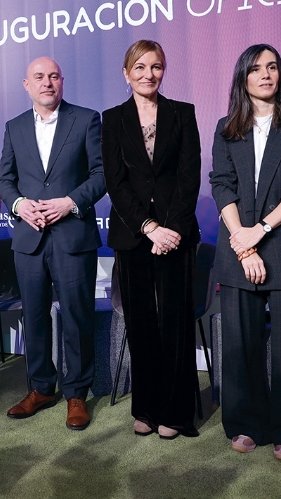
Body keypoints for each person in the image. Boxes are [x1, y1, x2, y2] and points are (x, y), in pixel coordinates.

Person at [209, 44, 281, 461]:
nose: (265, 74)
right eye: (256, 68)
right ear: (243, 77)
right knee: (239, 346)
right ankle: (246, 424)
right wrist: (243, 244)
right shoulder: (227, 127)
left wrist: (259, 230)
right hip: (238, 248)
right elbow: (222, 185)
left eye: (272, 67)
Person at [0, 57, 106, 430]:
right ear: (26, 84)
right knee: (34, 317)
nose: (47, 82)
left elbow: (101, 173)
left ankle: (76, 394)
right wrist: (18, 205)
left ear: (62, 81)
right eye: (40, 77)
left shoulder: (86, 119)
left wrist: (70, 202)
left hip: (72, 236)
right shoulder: (13, 126)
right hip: (29, 240)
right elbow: (5, 179)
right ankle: (41, 389)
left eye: (54, 76)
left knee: (76, 317)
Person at [102, 40, 202, 440]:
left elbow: (189, 176)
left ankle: (175, 413)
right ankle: (145, 406)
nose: (148, 74)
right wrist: (148, 227)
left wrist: (170, 229)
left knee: (176, 323)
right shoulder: (113, 119)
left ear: (164, 70)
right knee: (140, 323)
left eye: (156, 66)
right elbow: (115, 181)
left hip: (177, 235)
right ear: (126, 73)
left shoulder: (182, 113)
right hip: (133, 234)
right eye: (140, 67)